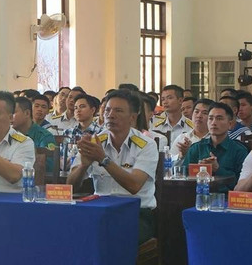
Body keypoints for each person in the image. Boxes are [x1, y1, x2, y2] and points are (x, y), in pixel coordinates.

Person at [66, 90, 158, 244]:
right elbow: (70, 186)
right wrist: (83, 166)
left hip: (136, 213)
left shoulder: (146, 145)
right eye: (107, 110)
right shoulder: (95, 142)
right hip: (100, 210)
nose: (110, 115)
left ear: (132, 118)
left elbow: (134, 185)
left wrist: (103, 159)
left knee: (109, 237)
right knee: (70, 232)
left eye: (118, 111)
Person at [183, 102, 248, 191]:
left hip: (226, 200)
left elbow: (244, 184)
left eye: (219, 118)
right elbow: (184, 179)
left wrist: (217, 169)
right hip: (198, 198)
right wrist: (199, 171)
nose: (213, 123)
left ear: (230, 124)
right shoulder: (196, 148)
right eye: (210, 118)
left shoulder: (239, 151)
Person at [170, 98, 213, 163]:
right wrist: (181, 156)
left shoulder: (215, 139)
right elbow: (168, 163)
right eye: (196, 112)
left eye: (205, 113)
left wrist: (190, 152)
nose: (199, 116)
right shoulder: (182, 138)